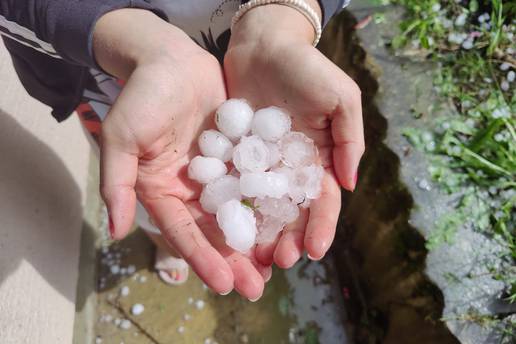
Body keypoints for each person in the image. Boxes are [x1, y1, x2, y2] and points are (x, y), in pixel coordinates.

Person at [0, 0, 364, 301]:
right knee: (144, 182)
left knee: (155, 186)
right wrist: (130, 36)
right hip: (99, 66)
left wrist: (285, 18)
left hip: (244, 52)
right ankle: (161, 240)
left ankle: (167, 243)